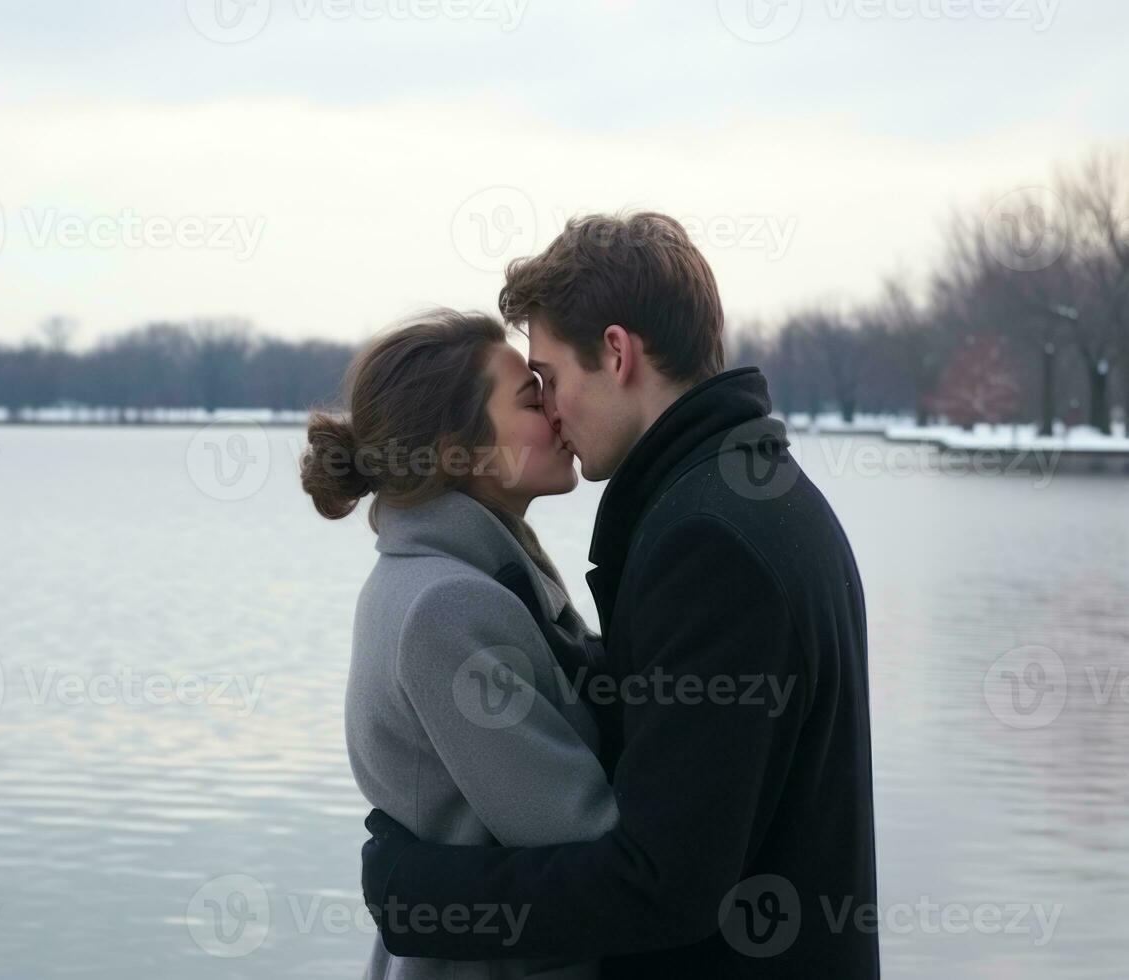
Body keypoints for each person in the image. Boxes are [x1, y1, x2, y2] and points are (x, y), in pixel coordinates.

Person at [360, 212, 881, 978]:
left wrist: (418, 899)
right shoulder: (748, 494)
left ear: (615, 352)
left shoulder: (711, 539)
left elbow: (661, 882)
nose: (554, 408)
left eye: (550, 378)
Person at [301, 308, 622, 980]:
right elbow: (580, 832)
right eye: (532, 400)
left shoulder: (456, 574)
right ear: (459, 452)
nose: (558, 412)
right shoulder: (448, 606)